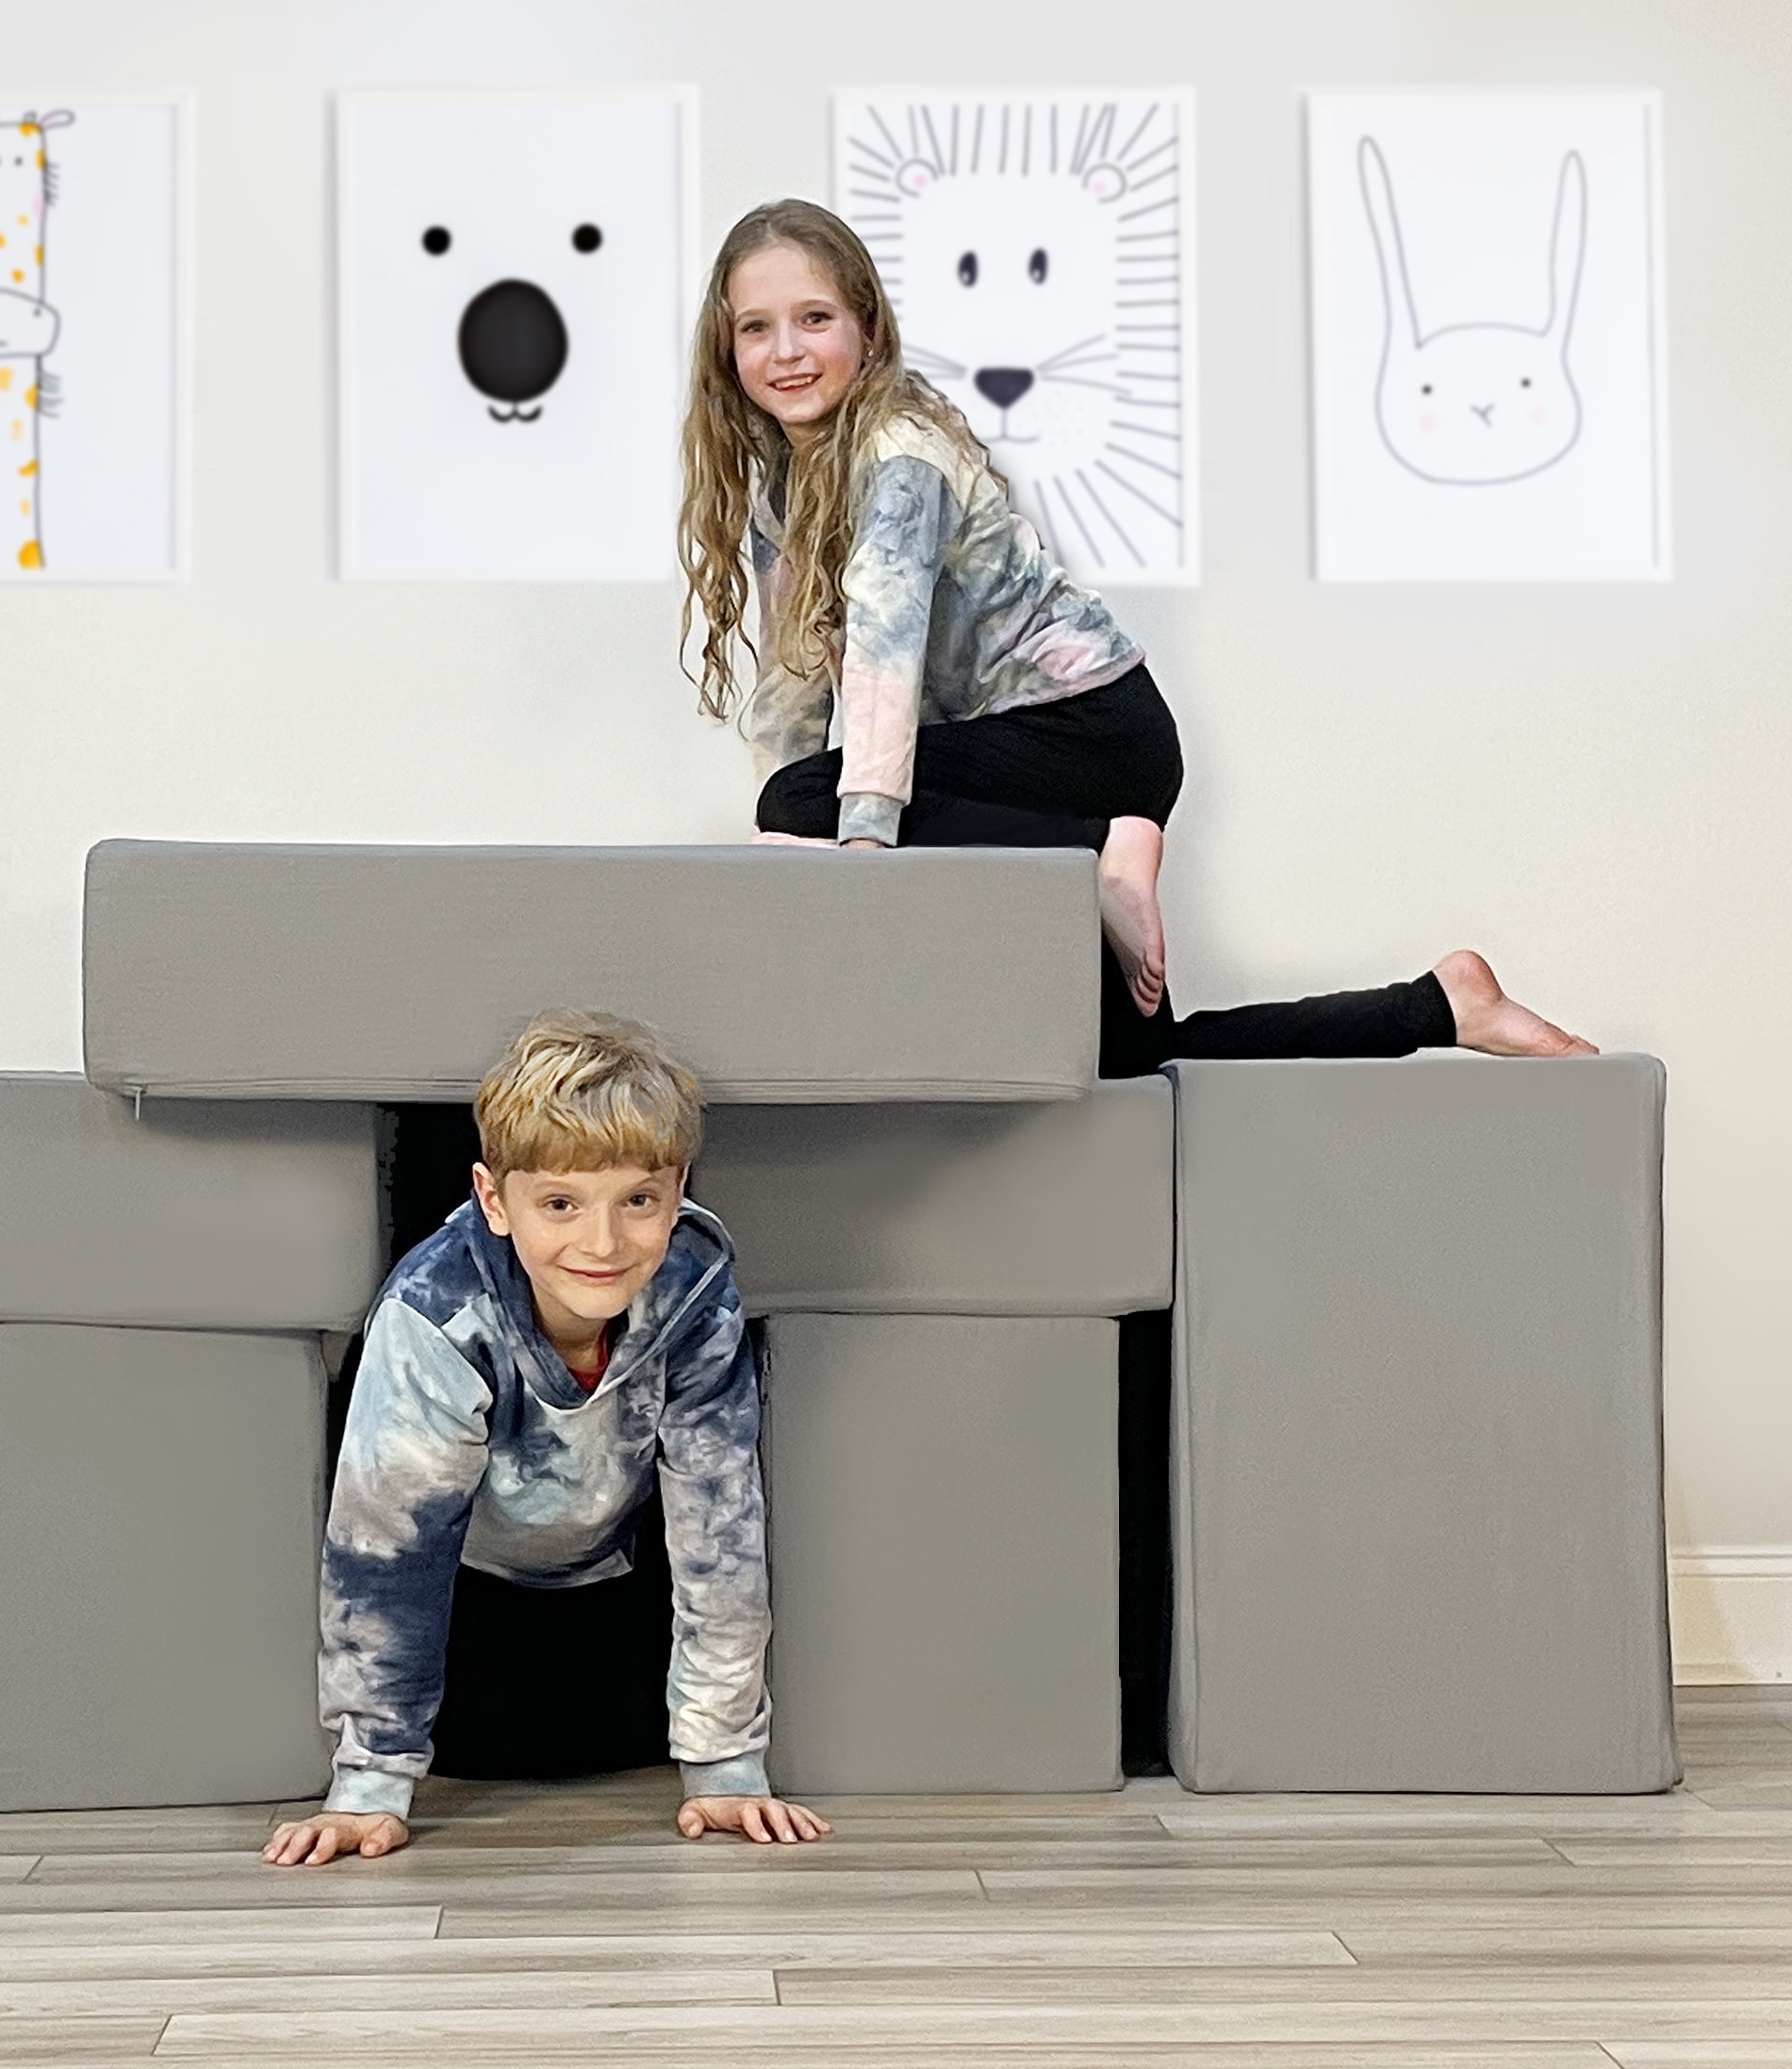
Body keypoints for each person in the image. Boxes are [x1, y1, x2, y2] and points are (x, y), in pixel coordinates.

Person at [677, 198, 1594, 1071]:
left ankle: (1098, 847)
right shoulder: (783, 488)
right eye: (756, 327)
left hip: (1087, 734)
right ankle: (1442, 1005)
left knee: (811, 801)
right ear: (726, 348)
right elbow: (793, 684)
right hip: (1040, 766)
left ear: (869, 330)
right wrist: (781, 853)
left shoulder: (901, 454)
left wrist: (845, 849)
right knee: (1128, 1061)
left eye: (814, 319)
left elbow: (883, 647)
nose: (786, 350)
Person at [265, 1010, 830, 1866]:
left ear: (678, 1191)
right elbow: (388, 1557)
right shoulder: (437, 1313)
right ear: (494, 1200)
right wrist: (370, 1784)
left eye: (638, 1201)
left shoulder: (693, 1289)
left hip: (616, 1585)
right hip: (471, 1598)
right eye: (560, 1204)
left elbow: (718, 1531)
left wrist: (725, 1767)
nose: (602, 1243)